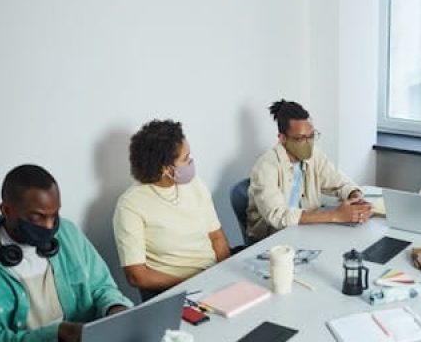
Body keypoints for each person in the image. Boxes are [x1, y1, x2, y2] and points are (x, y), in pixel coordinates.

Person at [0, 164, 132, 342]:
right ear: (6, 210)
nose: (49, 226)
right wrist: (57, 333)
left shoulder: (68, 233)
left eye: (54, 215)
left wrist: (115, 308)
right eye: (37, 216)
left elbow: (102, 287)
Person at [113, 120, 231, 297]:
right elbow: (137, 275)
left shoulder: (195, 184)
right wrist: (191, 286)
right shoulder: (130, 206)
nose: (191, 162)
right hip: (177, 291)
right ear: (165, 169)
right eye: (185, 159)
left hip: (213, 277)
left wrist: (226, 277)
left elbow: (216, 236)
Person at [246, 99, 372, 241]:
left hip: (308, 231)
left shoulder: (314, 155)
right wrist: (335, 215)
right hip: (273, 240)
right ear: (282, 138)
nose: (308, 143)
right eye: (300, 138)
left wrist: (355, 197)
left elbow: (340, 182)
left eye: (311, 136)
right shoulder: (265, 166)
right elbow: (278, 216)